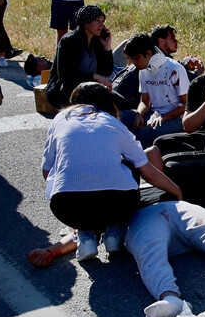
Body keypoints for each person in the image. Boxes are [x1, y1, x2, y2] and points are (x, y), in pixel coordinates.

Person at [25, 201, 205, 317]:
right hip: (154, 215)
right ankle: (170, 299)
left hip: (172, 208)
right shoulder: (109, 190)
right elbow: (81, 231)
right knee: (156, 252)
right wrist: (52, 250)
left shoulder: (124, 176)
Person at [42, 82, 182, 262]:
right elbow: (148, 171)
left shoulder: (61, 119)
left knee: (72, 180)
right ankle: (114, 231)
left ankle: (85, 234)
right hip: (118, 205)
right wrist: (176, 191)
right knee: (130, 163)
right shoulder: (114, 123)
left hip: (66, 207)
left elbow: (47, 171)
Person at [121, 33, 189, 147]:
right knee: (120, 117)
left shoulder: (175, 69)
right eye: (131, 59)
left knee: (144, 134)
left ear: (148, 54)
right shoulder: (143, 70)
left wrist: (163, 118)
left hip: (177, 118)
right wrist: (138, 114)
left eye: (136, 58)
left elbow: (186, 105)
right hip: (154, 113)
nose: (134, 63)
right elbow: (145, 102)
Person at [46, 5, 116, 109]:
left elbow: (106, 72)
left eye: (102, 21)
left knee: (122, 103)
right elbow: (66, 77)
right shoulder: (69, 41)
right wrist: (94, 76)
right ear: (86, 22)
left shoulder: (97, 40)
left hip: (90, 89)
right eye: (97, 21)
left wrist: (107, 48)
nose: (101, 25)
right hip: (66, 91)